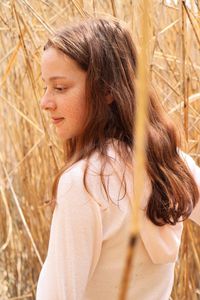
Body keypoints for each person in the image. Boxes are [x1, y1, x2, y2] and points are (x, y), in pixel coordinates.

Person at [36, 16, 200, 300]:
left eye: (60, 87)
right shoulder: (172, 165)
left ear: (108, 90)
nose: (45, 102)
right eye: (45, 87)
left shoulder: (83, 184)